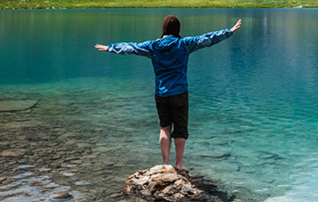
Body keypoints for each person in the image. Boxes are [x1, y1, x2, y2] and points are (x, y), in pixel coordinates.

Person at [96, 16, 241, 172]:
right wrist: (229, 31)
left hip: (161, 93)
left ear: (163, 29)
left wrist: (110, 47)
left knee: (165, 127)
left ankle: (165, 162)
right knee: (180, 129)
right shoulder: (184, 44)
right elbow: (206, 39)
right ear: (178, 30)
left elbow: (131, 48)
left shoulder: (153, 46)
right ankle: (179, 164)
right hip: (179, 92)